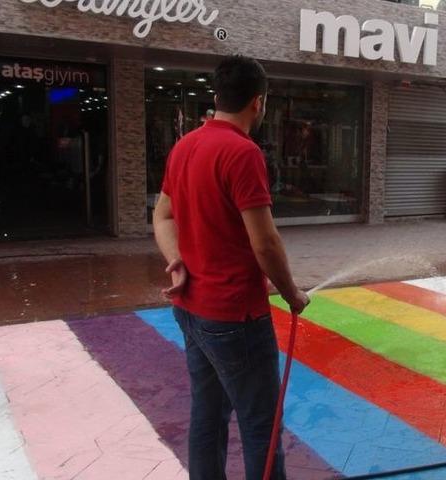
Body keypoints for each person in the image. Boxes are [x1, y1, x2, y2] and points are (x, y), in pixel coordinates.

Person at [153, 55, 309, 480]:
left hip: (190, 309)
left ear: (217, 96)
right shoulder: (243, 153)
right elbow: (265, 242)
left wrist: (176, 262)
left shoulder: (185, 146)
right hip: (235, 316)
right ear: (258, 102)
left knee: (208, 415)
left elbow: (162, 216)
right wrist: (292, 293)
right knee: (262, 426)